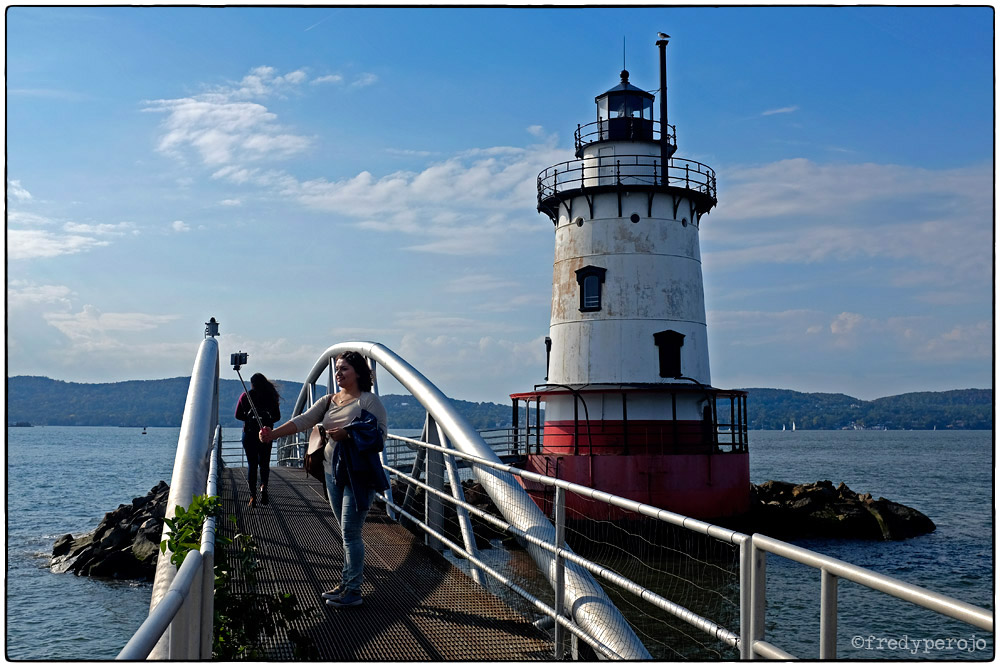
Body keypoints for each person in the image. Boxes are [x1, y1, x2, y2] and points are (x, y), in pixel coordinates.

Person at [260, 351, 388, 608]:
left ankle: (353, 591)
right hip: (332, 473)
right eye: (337, 369)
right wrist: (273, 434)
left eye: (345, 370)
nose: (338, 374)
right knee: (345, 533)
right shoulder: (329, 400)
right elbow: (303, 420)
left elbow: (380, 439)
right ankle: (346, 582)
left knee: (351, 533)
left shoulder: (368, 402)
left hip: (358, 475)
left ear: (359, 373)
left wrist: (348, 435)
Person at [235, 373, 281, 507]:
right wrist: (266, 422)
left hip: (249, 435)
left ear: (252, 384)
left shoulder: (246, 396)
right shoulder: (271, 396)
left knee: (252, 464)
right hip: (266, 434)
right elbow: (277, 417)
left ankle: (252, 496)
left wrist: (249, 419)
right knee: (264, 463)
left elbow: (238, 415)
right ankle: (263, 487)